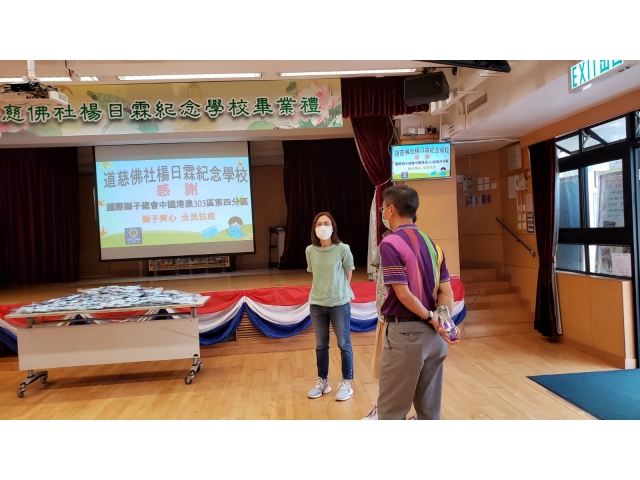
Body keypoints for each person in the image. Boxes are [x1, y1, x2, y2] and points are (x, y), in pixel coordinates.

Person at [376, 185, 459, 420]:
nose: (383, 213)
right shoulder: (433, 244)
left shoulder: (390, 243)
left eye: (383, 209)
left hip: (406, 336)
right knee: (429, 413)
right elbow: (446, 290)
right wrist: (444, 323)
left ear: (391, 210)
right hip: (435, 339)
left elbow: (403, 294)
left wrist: (431, 318)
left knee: (392, 412)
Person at [305, 211, 356, 401]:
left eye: (326, 223)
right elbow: (315, 273)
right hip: (317, 303)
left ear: (333, 227)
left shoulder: (343, 249)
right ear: (314, 229)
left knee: (344, 344)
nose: (322, 227)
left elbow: (348, 271)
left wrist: (340, 289)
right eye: (318, 224)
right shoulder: (310, 250)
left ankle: (346, 383)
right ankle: (323, 381)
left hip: (339, 303)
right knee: (321, 345)